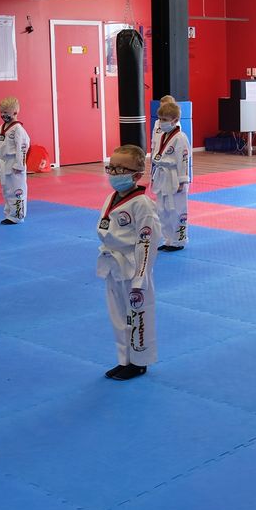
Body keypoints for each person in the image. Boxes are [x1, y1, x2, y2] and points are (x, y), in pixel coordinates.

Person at [97, 145, 161, 380]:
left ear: (135, 175)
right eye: (110, 167)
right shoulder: (111, 198)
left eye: (119, 169)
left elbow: (148, 242)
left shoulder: (143, 205)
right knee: (118, 316)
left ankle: (140, 361)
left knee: (139, 315)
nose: (113, 173)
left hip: (134, 267)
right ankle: (124, 359)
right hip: (113, 265)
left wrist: (140, 276)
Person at [150, 101, 191, 251]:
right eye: (160, 119)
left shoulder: (180, 138)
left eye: (165, 120)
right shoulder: (162, 135)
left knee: (177, 210)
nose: (161, 122)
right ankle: (168, 239)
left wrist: (182, 181)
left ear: (175, 120)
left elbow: (184, 161)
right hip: (162, 176)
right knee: (162, 210)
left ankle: (178, 241)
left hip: (175, 177)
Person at [0, 96, 30, 225]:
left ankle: (18, 216)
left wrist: (20, 165)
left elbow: (23, 148)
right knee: (7, 191)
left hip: (15, 164)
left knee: (17, 191)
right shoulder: (0, 129)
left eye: (6, 113)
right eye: (1, 112)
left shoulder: (18, 129)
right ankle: (9, 213)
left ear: (15, 112)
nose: (3, 115)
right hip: (4, 163)